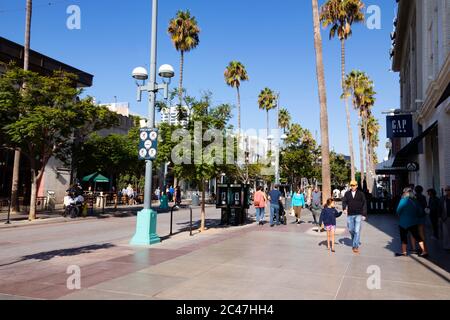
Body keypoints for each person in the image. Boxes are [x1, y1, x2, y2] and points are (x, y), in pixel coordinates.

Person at [395, 187, 429, 257]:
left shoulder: (403, 200)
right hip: (413, 222)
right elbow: (419, 212)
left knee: (403, 237)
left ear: (404, 193)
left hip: (403, 222)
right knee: (417, 236)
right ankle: (424, 251)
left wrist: (401, 216)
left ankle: (404, 252)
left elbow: (398, 210)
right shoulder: (415, 201)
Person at [342, 180, 367, 254]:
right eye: (351, 185)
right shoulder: (347, 194)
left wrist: (364, 214)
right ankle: (355, 241)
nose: (352, 187)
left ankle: (355, 246)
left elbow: (364, 203)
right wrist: (344, 208)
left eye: (354, 185)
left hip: (358, 214)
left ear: (356, 186)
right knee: (350, 230)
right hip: (350, 214)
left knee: (357, 231)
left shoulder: (361, 194)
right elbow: (344, 202)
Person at [439, 186, 450, 251]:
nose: (447, 191)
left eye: (448, 190)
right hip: (445, 217)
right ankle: (447, 246)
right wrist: (440, 217)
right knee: (446, 233)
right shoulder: (442, 198)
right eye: (446, 190)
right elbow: (439, 208)